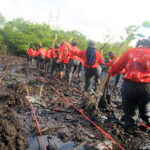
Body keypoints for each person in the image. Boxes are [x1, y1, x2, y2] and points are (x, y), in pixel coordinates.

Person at [109, 38, 150, 131]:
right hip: (147, 86)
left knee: (130, 106)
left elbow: (119, 65)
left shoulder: (131, 51)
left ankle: (131, 126)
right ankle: (148, 121)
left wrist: (111, 72)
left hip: (129, 85)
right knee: (146, 105)